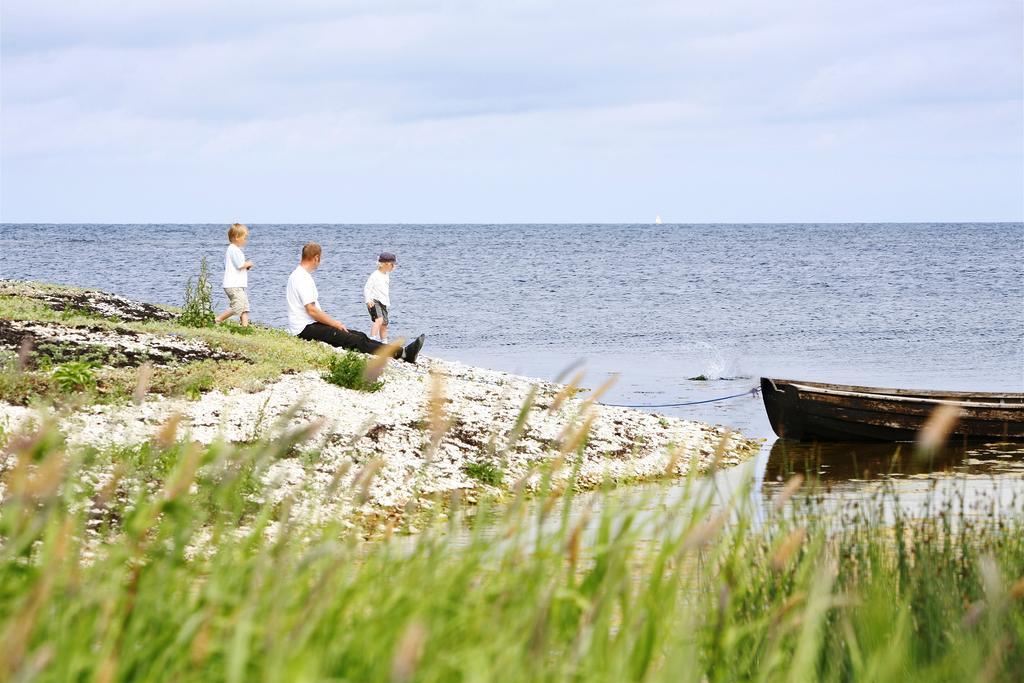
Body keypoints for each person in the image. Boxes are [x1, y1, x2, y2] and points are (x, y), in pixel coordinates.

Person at [286, 243, 425, 363]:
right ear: (316, 258)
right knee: (354, 340)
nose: (319, 262)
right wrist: (335, 323)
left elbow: (311, 311)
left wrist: (332, 324)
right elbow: (312, 310)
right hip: (306, 329)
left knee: (359, 335)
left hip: (309, 326)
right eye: (320, 259)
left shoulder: (297, 275)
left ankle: (401, 351)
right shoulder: (302, 278)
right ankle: (403, 354)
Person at [216, 223, 254, 326]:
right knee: (238, 306)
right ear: (237, 237)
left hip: (236, 285)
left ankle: (245, 328)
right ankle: (218, 320)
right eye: (244, 238)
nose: (245, 240)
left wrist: (245, 266)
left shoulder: (231, 250)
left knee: (245, 307)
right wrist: (248, 263)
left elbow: (230, 266)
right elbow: (240, 265)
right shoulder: (234, 250)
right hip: (233, 285)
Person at [364, 251, 396, 342]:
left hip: (383, 302)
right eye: (392, 264)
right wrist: (368, 300)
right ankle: (372, 339)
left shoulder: (386, 275)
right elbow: (367, 288)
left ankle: (384, 342)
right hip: (374, 301)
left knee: (384, 323)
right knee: (379, 320)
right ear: (384, 264)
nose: (393, 267)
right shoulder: (375, 275)